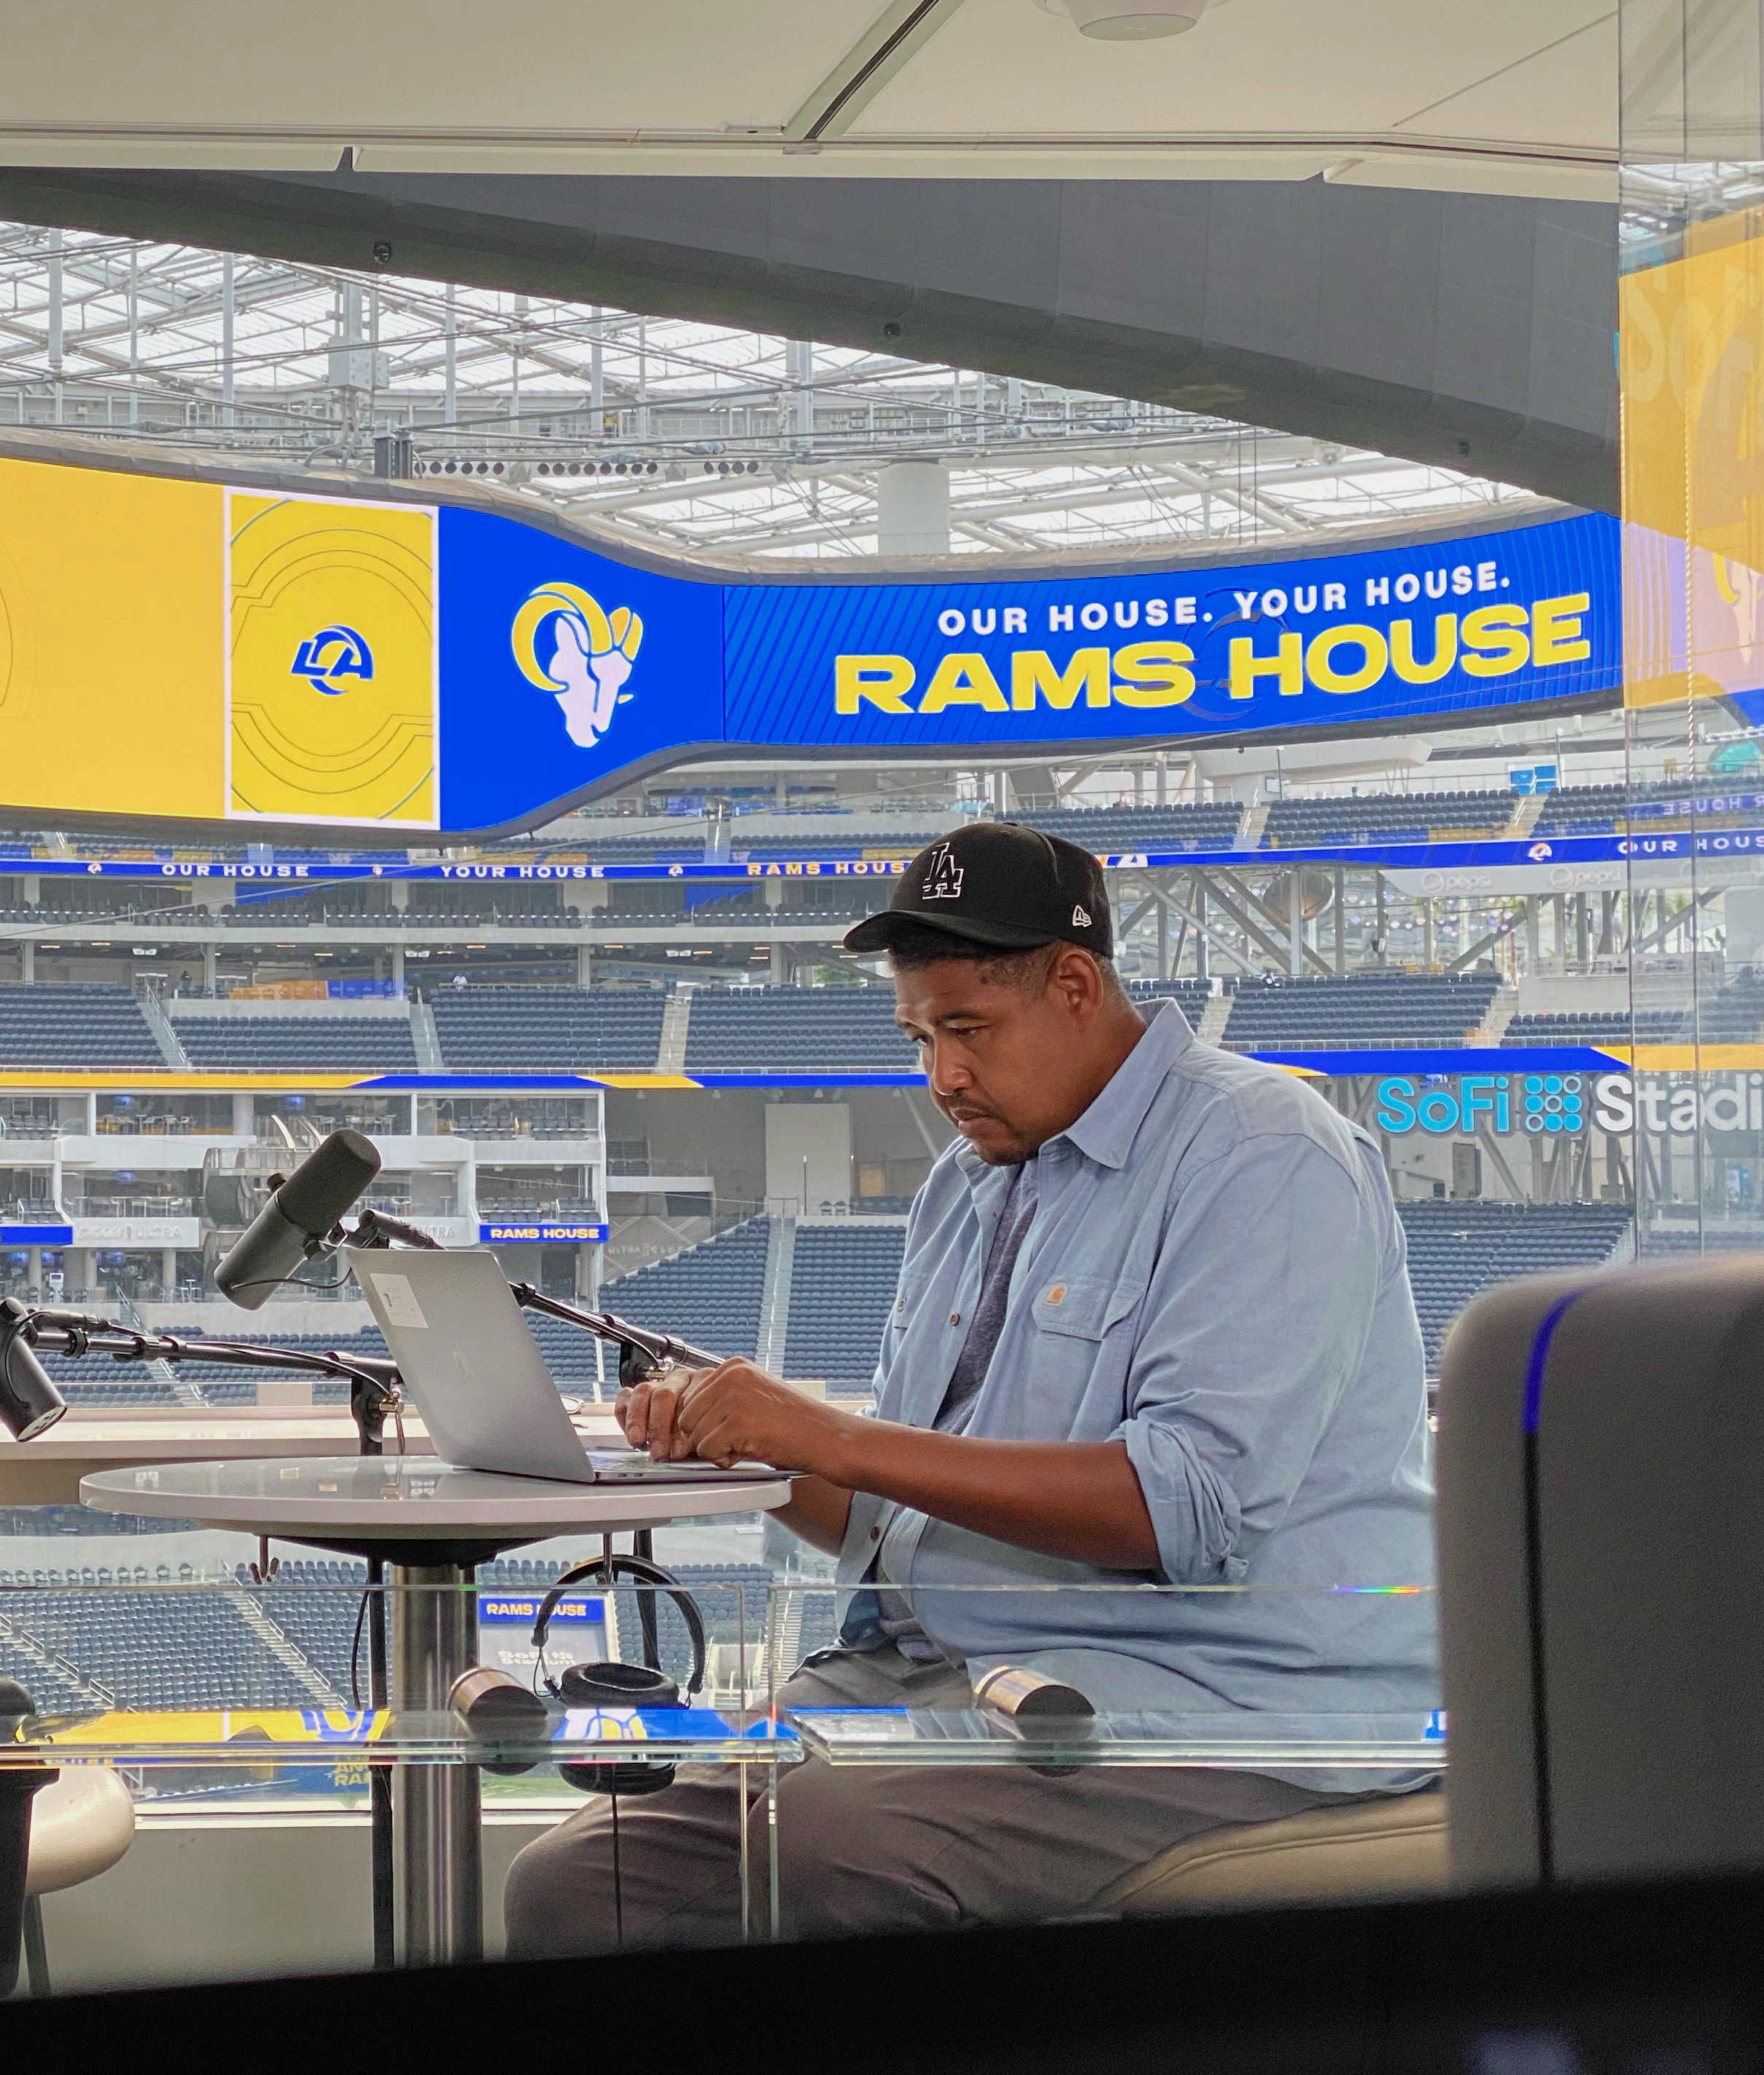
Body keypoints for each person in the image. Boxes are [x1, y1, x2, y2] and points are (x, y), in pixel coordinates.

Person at [505, 821, 1438, 1953]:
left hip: (1221, 1698)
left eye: (969, 1031)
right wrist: (746, 1443)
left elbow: (1184, 1509)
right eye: (920, 1037)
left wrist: (832, 1437)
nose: (942, 1076)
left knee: (829, 1839)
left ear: (1077, 986)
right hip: (939, 1670)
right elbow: (898, 1513)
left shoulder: (1264, 1150)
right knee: (575, 1888)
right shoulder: (968, 1181)